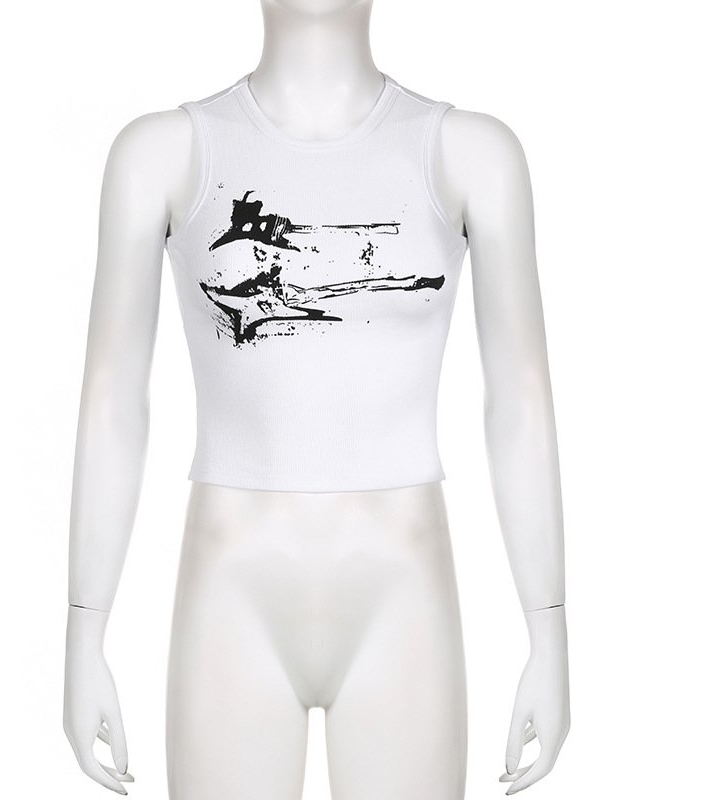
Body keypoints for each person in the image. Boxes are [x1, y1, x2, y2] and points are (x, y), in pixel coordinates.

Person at [63, 1, 570, 798]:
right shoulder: (163, 155)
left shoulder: (470, 155)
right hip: (231, 593)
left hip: (402, 594)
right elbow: (112, 402)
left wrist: (548, 628)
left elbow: (521, 401)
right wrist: (84, 629)